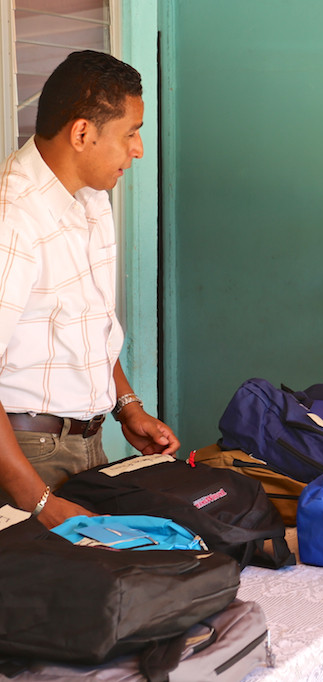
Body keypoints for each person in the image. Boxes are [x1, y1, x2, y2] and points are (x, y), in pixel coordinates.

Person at [0, 50, 179, 528]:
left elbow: (87, 322)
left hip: (86, 441)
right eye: (130, 132)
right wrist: (37, 501)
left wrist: (127, 406)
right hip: (25, 455)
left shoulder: (92, 199)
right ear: (82, 133)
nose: (138, 149)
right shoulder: (11, 217)